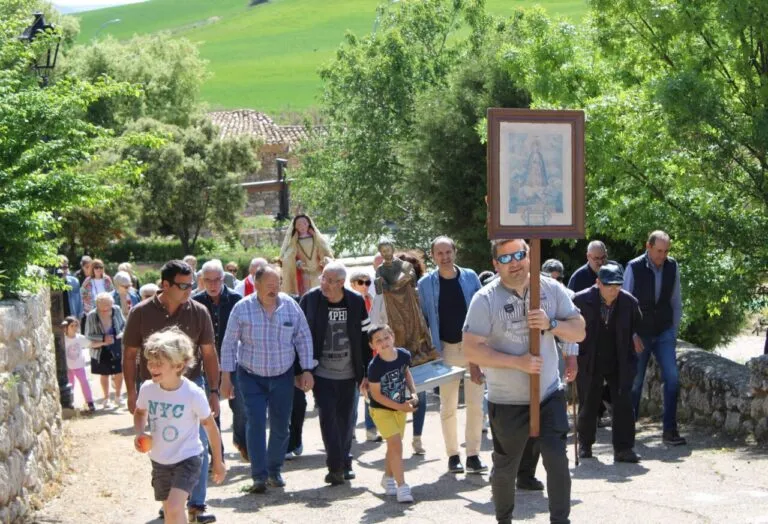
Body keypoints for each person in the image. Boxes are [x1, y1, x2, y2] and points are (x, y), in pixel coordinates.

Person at [463, 238, 585, 524]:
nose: (514, 263)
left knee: (557, 460)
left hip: (548, 394)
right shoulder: (485, 299)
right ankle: (504, 519)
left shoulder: (551, 289)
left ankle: (560, 520)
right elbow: (471, 348)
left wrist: (552, 324)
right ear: (495, 264)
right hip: (506, 400)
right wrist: (516, 362)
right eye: (505, 259)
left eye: (519, 255)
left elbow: (579, 331)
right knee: (506, 466)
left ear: (529, 255)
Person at [123, 259, 221, 524]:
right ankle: (171, 502)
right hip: (155, 388)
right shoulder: (141, 313)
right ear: (165, 285)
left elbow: (209, 353)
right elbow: (130, 354)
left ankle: (196, 504)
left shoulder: (199, 311)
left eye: (191, 285)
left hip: (192, 385)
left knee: (195, 443)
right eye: (183, 285)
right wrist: (131, 393)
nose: (189, 290)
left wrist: (214, 389)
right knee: (164, 441)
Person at [220, 265, 316, 494]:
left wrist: (307, 369)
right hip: (251, 375)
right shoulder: (242, 308)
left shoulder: (290, 306)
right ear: (257, 284)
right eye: (269, 285)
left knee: (281, 425)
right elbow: (229, 343)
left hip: (282, 375)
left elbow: (303, 337)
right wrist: (226, 376)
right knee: (256, 423)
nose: (274, 289)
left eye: (278, 284)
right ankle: (259, 476)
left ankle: (274, 470)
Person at [133, 328, 226, 524]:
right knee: (170, 512)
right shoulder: (148, 389)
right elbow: (140, 412)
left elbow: (210, 427)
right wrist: (140, 433)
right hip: (159, 461)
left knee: (175, 507)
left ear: (178, 365)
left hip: (188, 458)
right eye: (150, 362)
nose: (152, 367)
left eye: (159, 363)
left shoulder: (192, 393)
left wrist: (217, 461)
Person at [417, 236, 486, 474]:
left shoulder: (470, 277)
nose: (445, 257)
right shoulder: (425, 284)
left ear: (455, 252)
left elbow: (482, 311)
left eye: (448, 252)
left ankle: (474, 454)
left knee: (476, 405)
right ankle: (453, 454)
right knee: (448, 406)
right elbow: (422, 318)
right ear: (433, 256)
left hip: (473, 350)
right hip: (444, 350)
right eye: (440, 253)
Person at [300, 261, 371, 485]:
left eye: (330, 281)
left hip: (350, 373)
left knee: (346, 420)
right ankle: (336, 466)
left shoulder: (355, 301)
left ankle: (343, 461)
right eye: (323, 278)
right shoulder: (310, 300)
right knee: (327, 417)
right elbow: (299, 337)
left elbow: (365, 338)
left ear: (341, 283)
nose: (324, 284)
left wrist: (367, 372)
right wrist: (303, 370)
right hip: (321, 373)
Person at [573, 264, 642, 462]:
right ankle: (585, 444)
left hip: (619, 357)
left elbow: (637, 324)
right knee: (589, 401)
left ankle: (624, 448)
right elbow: (570, 327)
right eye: (608, 285)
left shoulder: (629, 302)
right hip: (590, 357)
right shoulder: (580, 300)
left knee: (623, 402)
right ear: (598, 283)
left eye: (617, 285)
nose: (613, 289)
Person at [624, 230, 687, 446]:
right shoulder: (634, 267)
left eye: (666, 251)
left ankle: (670, 431)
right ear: (648, 247)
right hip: (640, 332)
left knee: (672, 379)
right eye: (659, 251)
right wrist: (631, 334)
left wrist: (674, 330)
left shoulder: (672, 266)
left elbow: (676, 300)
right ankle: (627, 432)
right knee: (635, 382)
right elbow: (625, 303)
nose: (663, 256)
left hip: (664, 331)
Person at [193, 260, 246, 462]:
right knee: (210, 410)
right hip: (206, 366)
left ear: (223, 279)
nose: (213, 284)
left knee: (241, 407)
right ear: (202, 280)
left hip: (235, 362)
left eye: (217, 280)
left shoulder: (236, 300)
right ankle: (217, 455)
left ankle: (241, 440)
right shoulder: (195, 302)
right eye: (208, 280)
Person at [366, 324, 417, 503]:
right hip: (381, 410)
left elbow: (407, 373)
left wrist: (414, 393)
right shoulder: (375, 367)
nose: (384, 342)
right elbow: (377, 395)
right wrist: (399, 406)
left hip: (400, 408)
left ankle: (387, 477)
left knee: (393, 446)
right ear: (373, 346)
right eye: (378, 340)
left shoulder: (403, 355)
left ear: (393, 337)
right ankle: (402, 486)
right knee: (396, 444)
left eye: (386, 337)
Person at [375, 239, 439, 367]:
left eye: (388, 250)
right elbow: (378, 290)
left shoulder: (403, 265)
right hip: (392, 304)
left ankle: (419, 351)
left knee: (413, 326)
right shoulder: (380, 269)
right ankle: (404, 353)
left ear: (392, 249)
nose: (386, 253)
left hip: (408, 302)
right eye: (383, 251)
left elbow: (411, 278)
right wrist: (380, 282)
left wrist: (396, 284)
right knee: (398, 328)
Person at [348, 269, 380, 443]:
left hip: (373, 353)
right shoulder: (350, 303)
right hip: (356, 355)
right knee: (353, 394)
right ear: (352, 284)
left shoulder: (373, 301)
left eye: (368, 282)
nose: (365, 286)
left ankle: (371, 429)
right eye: (361, 282)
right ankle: (350, 428)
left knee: (372, 393)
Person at [85, 292, 126, 409]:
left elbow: (124, 324)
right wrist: (103, 338)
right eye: (102, 310)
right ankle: (106, 398)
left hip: (116, 343)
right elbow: (88, 335)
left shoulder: (116, 309)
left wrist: (120, 334)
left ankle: (118, 396)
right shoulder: (91, 316)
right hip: (100, 347)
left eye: (107, 309)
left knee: (119, 371)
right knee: (104, 373)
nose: (105, 311)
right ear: (97, 306)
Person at [280, 214, 334, 297]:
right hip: (304, 273)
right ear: (295, 227)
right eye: (299, 224)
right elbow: (290, 257)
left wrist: (325, 260)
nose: (302, 226)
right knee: (307, 295)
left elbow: (324, 252)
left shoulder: (316, 239)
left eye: (304, 223)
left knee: (321, 294)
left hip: (318, 272)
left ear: (309, 224)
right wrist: (297, 262)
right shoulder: (294, 242)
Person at [62, 316, 95, 412]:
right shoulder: (63, 339)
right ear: (66, 327)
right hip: (68, 367)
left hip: (79, 366)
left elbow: (91, 344)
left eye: (76, 325)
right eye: (72, 326)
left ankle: (89, 402)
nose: (74, 328)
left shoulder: (79, 338)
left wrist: (104, 342)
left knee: (84, 383)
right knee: (70, 385)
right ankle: (69, 403)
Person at [58, 256, 84, 322]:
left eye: (65, 267)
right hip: (57, 319)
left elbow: (79, 301)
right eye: (60, 267)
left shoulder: (74, 282)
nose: (63, 270)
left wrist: (79, 319)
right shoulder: (51, 284)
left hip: (71, 317)